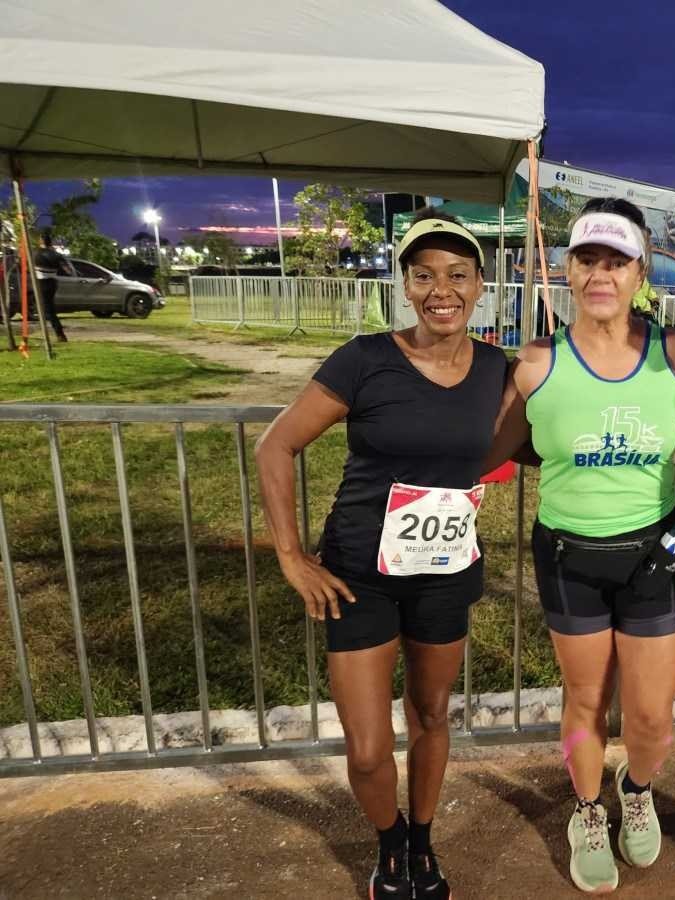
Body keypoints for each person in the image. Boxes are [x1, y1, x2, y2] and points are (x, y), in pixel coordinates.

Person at [255, 210, 506, 900]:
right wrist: (291, 555)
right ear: (405, 284)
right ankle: (388, 840)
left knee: (430, 717)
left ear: (481, 285)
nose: (440, 289)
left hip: (446, 575)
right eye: (423, 274)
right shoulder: (364, 359)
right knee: (367, 748)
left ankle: (420, 845)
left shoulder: (496, 370)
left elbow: (536, 437)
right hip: (360, 576)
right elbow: (275, 445)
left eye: (457, 274)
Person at [486, 197, 675, 893]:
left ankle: (635, 788)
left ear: (642, 271)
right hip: (568, 558)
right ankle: (586, 810)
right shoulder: (536, 362)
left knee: (649, 716)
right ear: (568, 271)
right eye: (588, 259)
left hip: (652, 556)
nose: (601, 274)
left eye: (618, 260)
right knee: (585, 700)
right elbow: (499, 447)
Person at [34, 230, 68, 342]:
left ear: (41, 241)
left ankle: (59, 333)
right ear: (50, 242)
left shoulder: (35, 253)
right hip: (52, 282)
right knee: (47, 307)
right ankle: (55, 332)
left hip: (40, 282)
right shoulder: (57, 255)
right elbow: (67, 270)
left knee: (48, 309)